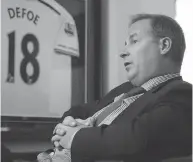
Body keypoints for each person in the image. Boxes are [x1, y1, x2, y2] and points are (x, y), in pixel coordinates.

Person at [38, 14, 192, 162]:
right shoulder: (124, 90)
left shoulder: (182, 94)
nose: (123, 53)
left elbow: (136, 138)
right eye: (125, 44)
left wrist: (74, 137)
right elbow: (81, 111)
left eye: (134, 41)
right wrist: (68, 124)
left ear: (164, 45)